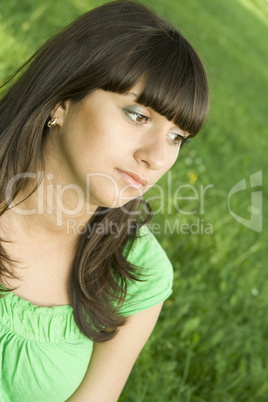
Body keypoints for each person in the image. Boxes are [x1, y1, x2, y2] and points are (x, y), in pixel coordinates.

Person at [0, 0, 209, 400]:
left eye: (176, 137)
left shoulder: (139, 272)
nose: (157, 157)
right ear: (62, 100)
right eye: (137, 116)